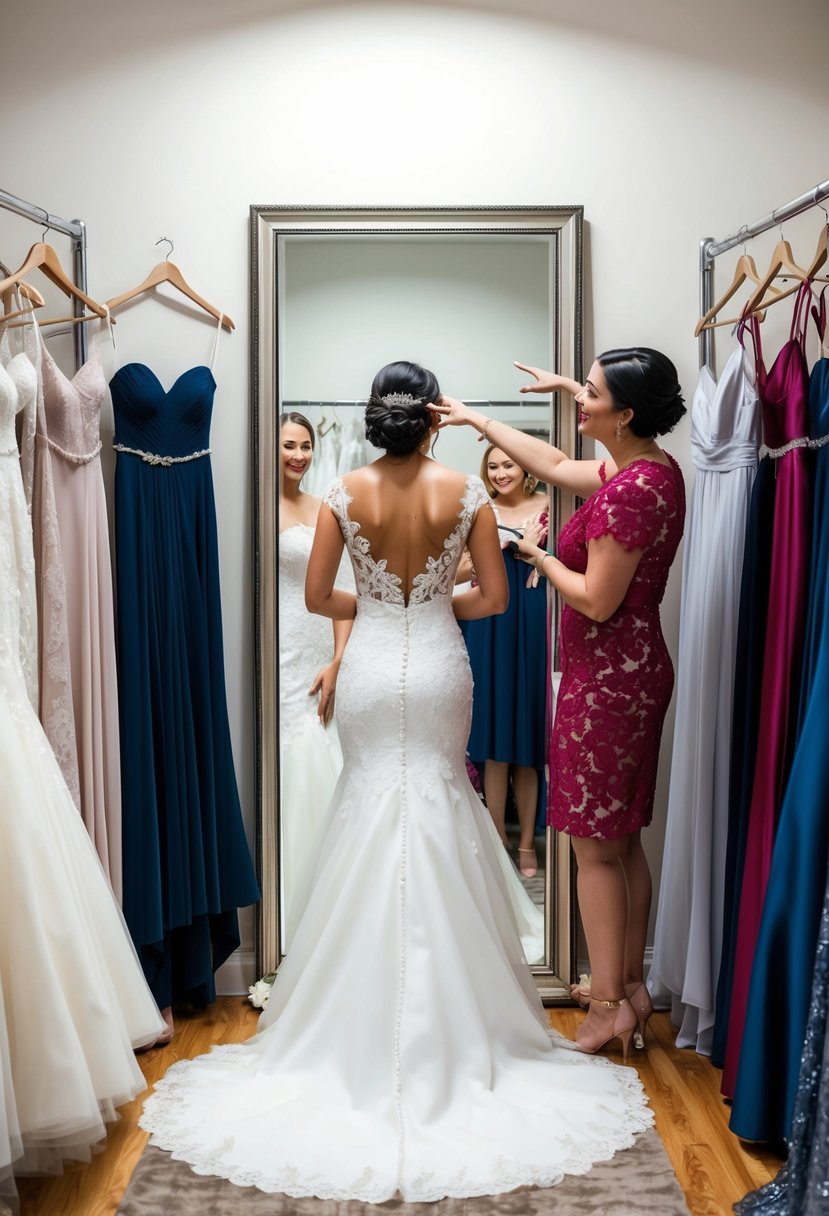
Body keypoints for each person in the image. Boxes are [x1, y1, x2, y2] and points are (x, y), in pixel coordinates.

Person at [139, 360, 652, 1203]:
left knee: (369, 812)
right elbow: (491, 600)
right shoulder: (467, 493)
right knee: (443, 805)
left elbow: (314, 600)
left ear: (378, 418)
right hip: (442, 671)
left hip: (373, 671)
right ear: (434, 421)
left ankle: (352, 1022)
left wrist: (381, 608)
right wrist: (428, 601)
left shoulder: (345, 489)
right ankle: (462, 1025)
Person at [431, 350, 686, 1057]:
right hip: (625, 675)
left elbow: (597, 600)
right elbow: (549, 461)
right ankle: (628, 987)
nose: (579, 401)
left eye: (591, 394)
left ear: (625, 413)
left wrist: (536, 558)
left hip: (609, 683)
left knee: (592, 849)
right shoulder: (647, 469)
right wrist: (477, 418)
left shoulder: (630, 490)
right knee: (622, 840)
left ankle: (607, 1005)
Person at [278, 413, 352, 945]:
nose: (299, 455)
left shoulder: (323, 504)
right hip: (276, 645)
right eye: (288, 445)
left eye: (305, 446)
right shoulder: (254, 505)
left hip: (316, 649)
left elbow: (343, 589)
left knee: (322, 745)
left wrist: (339, 659)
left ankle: (334, 905)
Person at [460, 445, 548, 876]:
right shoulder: (479, 509)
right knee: (493, 736)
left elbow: (575, 560)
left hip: (532, 618)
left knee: (527, 739)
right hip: (488, 621)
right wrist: (490, 549)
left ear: (525, 466)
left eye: (508, 464)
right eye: (492, 466)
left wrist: (534, 550)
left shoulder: (552, 505)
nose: (500, 473)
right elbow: (453, 570)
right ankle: (496, 843)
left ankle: (528, 844)